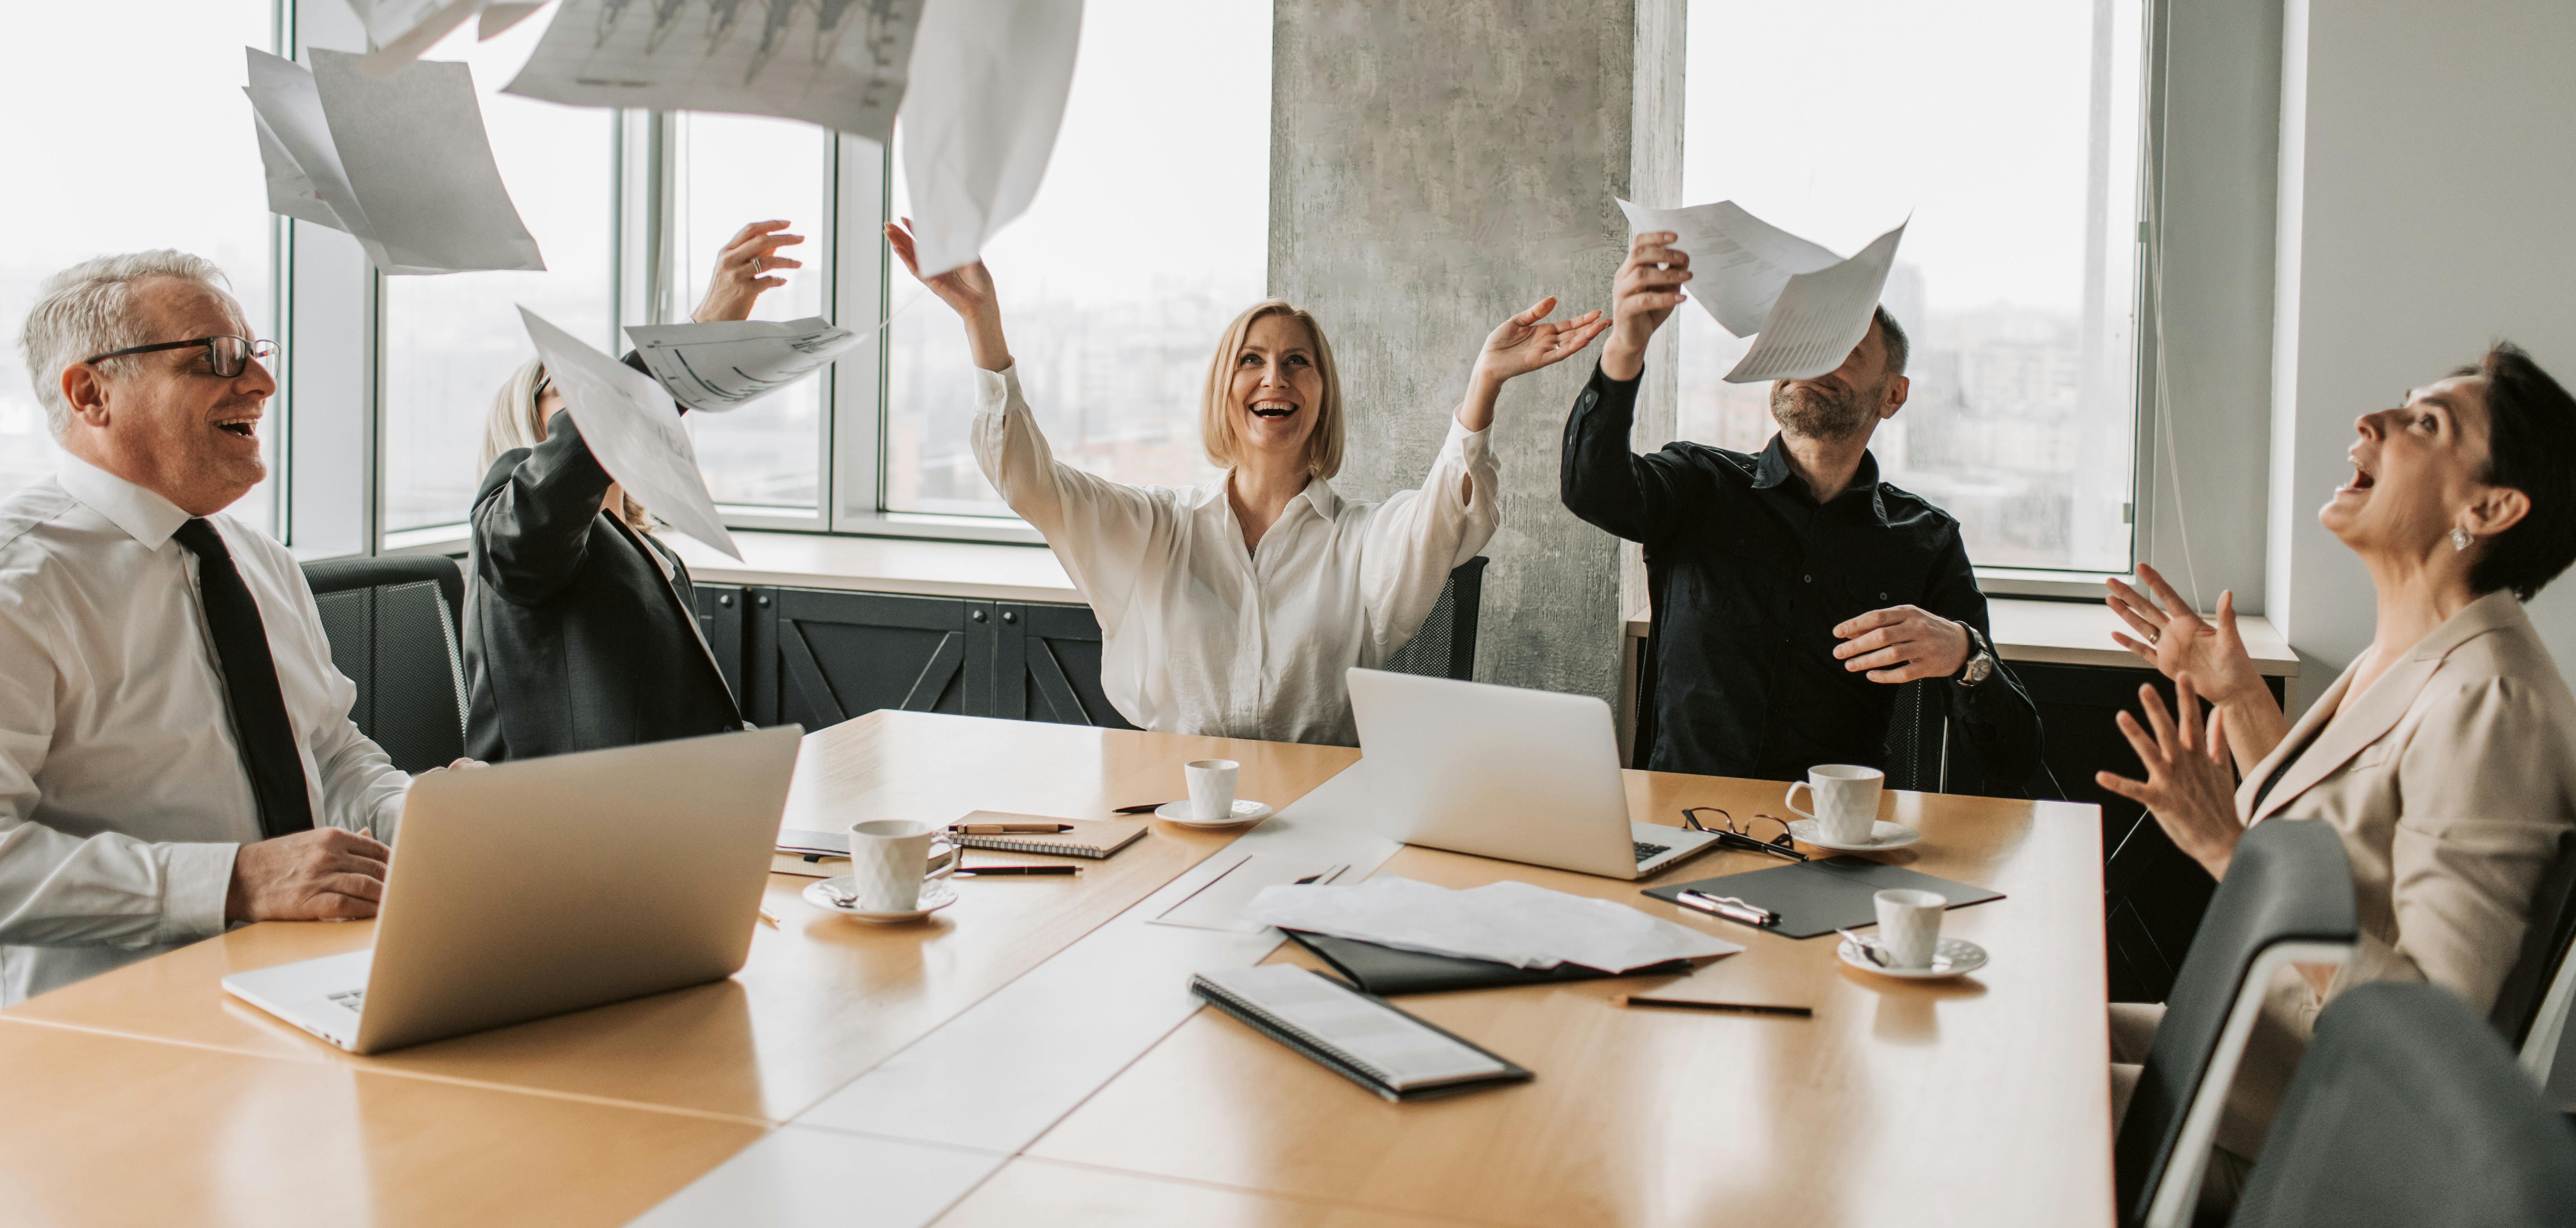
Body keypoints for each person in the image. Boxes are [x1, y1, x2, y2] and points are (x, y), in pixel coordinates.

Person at [2097, 344, 2576, 1184]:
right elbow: (2337, 842)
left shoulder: (2495, 701)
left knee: (1985, 1092)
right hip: (2247, 1057)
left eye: (2427, 422)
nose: (2372, 422)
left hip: (2314, 1136)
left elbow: (2434, 1029)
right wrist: (2239, 697)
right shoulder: (2413, 653)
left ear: (2492, 506)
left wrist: (2228, 850)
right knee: (2012, 1020)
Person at [888, 220, 1607, 745]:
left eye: (1298, 362)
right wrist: (983, 323)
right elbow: (1028, 482)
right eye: (1252, 360)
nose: (1274, 378)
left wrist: (1483, 385)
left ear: (1321, 394)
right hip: (1163, 806)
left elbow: (1445, 517)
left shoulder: (1362, 541)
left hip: (1317, 813)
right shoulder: (1154, 530)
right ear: (1224, 388)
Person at [0, 252, 415, 1004]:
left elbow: (327, 750)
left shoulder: (259, 561)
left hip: (312, 984)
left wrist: (413, 816)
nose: (261, 383)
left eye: (254, 353)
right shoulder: (19, 586)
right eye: (216, 358)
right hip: (106, 1030)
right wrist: (231, 881)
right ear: (91, 393)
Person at [1561, 229, 2042, 789]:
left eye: (1842, 348)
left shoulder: (1926, 540)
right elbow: (1590, 490)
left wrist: (1965, 653)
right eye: (1801, 341)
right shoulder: (1699, 484)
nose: (1813, 361)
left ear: (1893, 395)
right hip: (1682, 822)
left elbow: (2012, 757)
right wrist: (1626, 347)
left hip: (1837, 837)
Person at [462, 220, 801, 760]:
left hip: (667, 800)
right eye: (574, 390)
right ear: (532, 424)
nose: (595, 399)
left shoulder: (654, 553)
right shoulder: (515, 514)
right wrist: (698, 334)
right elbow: (541, 514)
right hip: (570, 817)